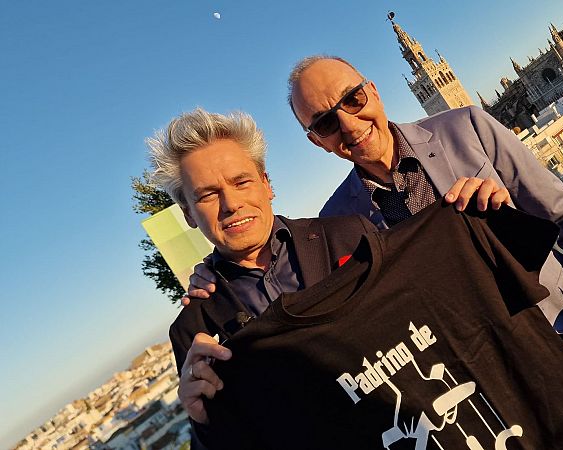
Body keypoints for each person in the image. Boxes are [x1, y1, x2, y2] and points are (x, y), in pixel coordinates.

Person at [186, 56, 563, 449]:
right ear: (317, 141)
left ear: (374, 91)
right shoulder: (339, 219)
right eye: (325, 123)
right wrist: (215, 275)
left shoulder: (467, 129)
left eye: (353, 98)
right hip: (498, 379)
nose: (349, 123)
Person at [152, 108, 512, 446]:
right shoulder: (194, 330)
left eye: (241, 182)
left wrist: (489, 219)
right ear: (187, 213)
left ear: (267, 184)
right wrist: (202, 423)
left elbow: (441, 310)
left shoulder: (350, 234)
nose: (231, 204)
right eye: (208, 195)